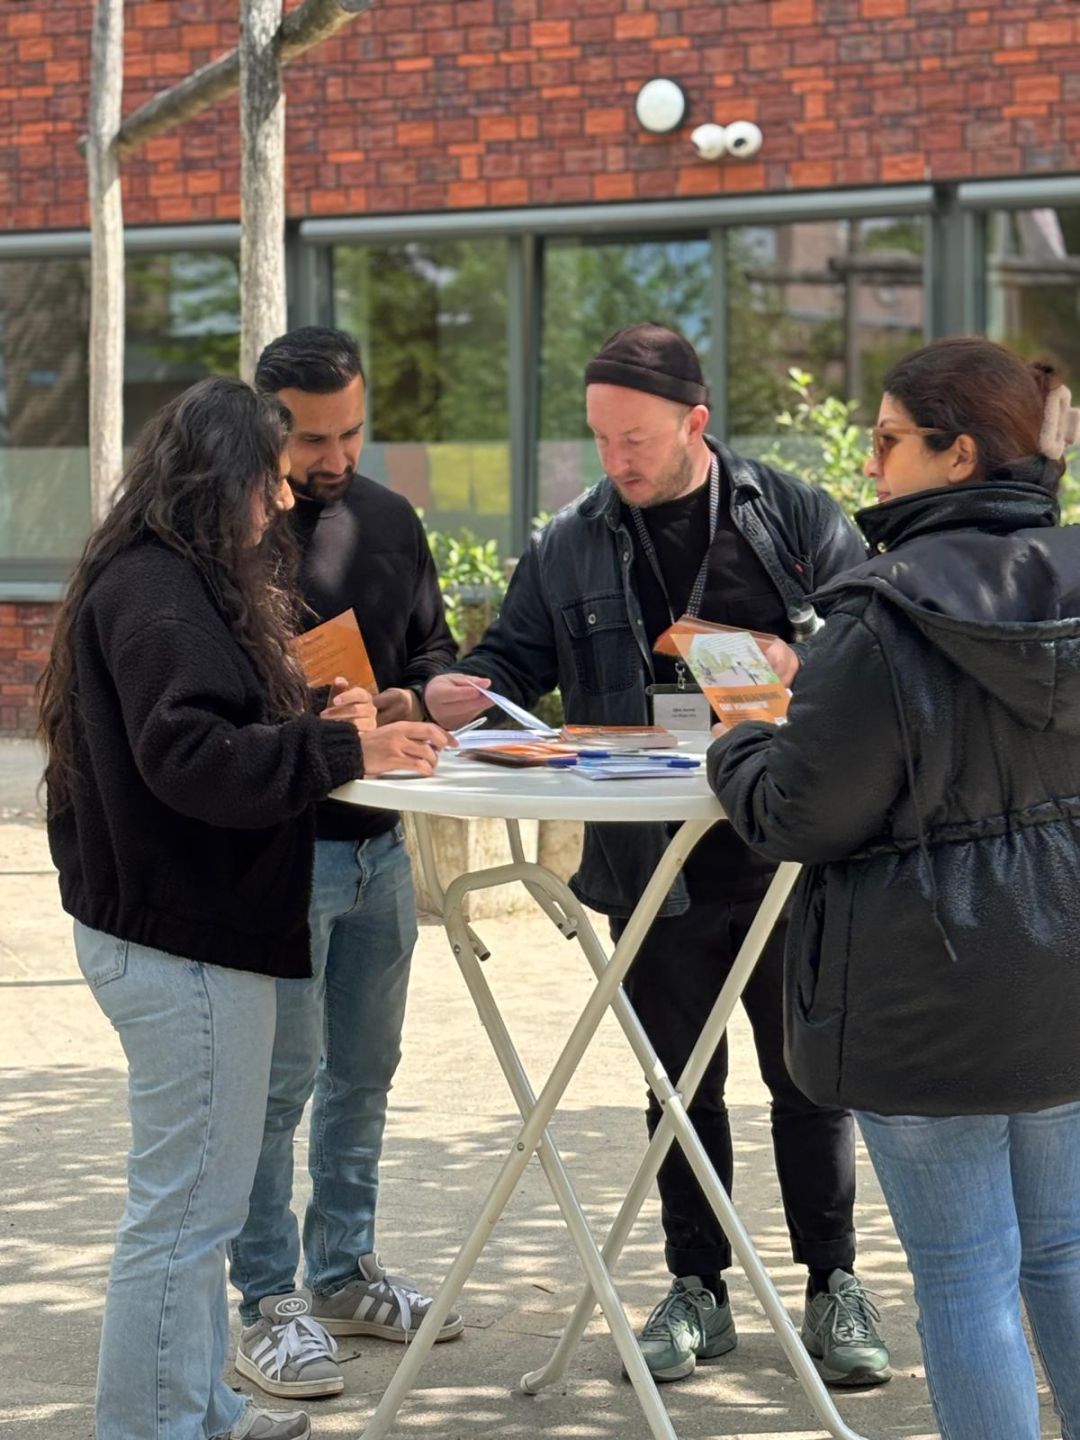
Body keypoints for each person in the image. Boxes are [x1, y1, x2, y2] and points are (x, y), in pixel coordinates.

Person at [424, 323, 892, 1387]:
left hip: (788, 850)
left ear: (695, 423)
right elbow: (511, 661)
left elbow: (880, 649)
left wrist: (796, 659)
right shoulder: (571, 540)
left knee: (809, 1081)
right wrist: (461, 686)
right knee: (678, 1088)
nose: (616, 460)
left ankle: (833, 1285)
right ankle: (697, 1289)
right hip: (650, 865)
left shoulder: (793, 516)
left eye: (634, 439)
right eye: (600, 439)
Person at [38, 377, 450, 1440]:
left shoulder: (166, 577)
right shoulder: (158, 590)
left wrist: (312, 714)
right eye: (269, 480)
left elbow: (205, 724)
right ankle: (158, 1427)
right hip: (182, 942)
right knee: (184, 1217)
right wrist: (342, 748)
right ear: (220, 481)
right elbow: (191, 757)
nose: (283, 500)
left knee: (194, 1210)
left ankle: (201, 1412)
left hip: (179, 931)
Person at [708, 336, 1080, 1440]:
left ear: (958, 454)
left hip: (929, 991)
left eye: (886, 440)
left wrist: (740, 745)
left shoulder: (880, 617)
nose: (869, 464)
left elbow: (799, 815)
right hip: (1068, 971)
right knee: (1064, 1252)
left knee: (965, 1276)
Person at [227, 327, 463, 1402]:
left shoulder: (390, 519)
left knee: (365, 1074)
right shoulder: (232, 531)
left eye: (352, 432)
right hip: (283, 857)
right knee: (278, 1089)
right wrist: (306, 706)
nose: (335, 458)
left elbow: (431, 652)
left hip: (380, 850)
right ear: (265, 425)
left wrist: (415, 697)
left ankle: (340, 1274)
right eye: (311, 440)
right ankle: (266, 1303)